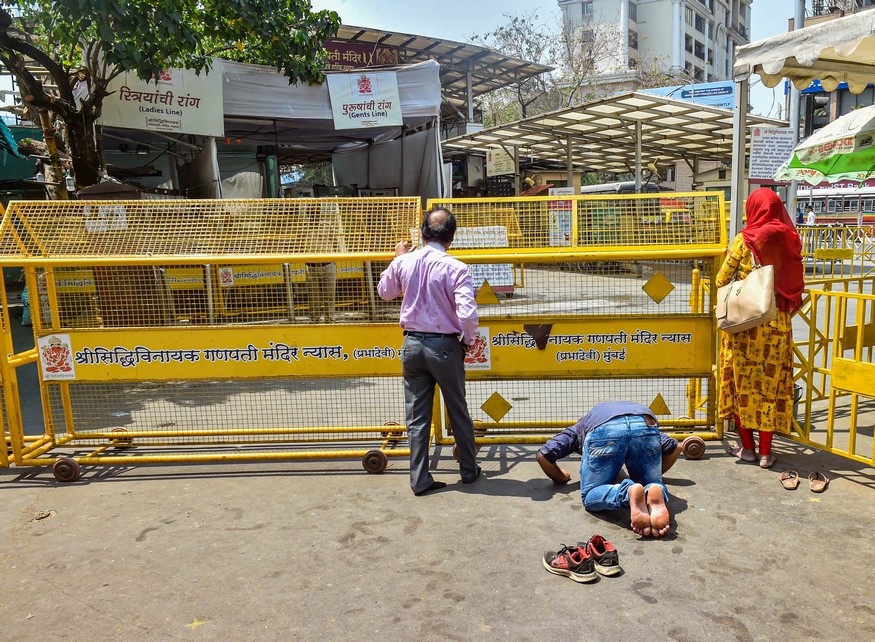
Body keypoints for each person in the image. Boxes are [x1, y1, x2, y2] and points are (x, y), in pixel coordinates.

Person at [377, 207, 481, 496]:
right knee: (458, 411)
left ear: (422, 233)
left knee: (417, 416)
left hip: (411, 345)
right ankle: (469, 471)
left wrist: (396, 260)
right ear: (451, 237)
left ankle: (420, 478)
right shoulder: (456, 268)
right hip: (445, 347)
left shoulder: (403, 262)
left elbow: (385, 292)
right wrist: (468, 341)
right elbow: (468, 314)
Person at [716, 188, 804, 469]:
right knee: (768, 387)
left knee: (743, 386)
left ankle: (748, 449)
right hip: (776, 324)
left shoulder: (745, 239)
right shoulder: (791, 238)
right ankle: (767, 453)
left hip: (746, 324)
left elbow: (721, 279)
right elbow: (795, 282)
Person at [537, 401, 674, 538]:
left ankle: (627, 493)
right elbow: (674, 448)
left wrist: (561, 477)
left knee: (590, 494)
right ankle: (653, 488)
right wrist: (653, 473)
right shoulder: (627, 411)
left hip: (604, 429)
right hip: (644, 422)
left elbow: (543, 456)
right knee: (650, 481)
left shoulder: (578, 428)